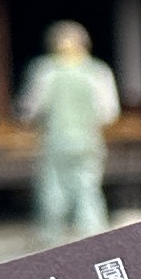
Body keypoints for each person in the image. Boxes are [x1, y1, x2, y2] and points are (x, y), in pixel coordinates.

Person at [15, 18, 122, 241]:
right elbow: (109, 112)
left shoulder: (45, 71)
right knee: (88, 188)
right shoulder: (96, 71)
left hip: (56, 139)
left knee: (54, 189)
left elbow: (30, 108)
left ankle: (52, 238)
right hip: (87, 140)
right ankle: (92, 237)